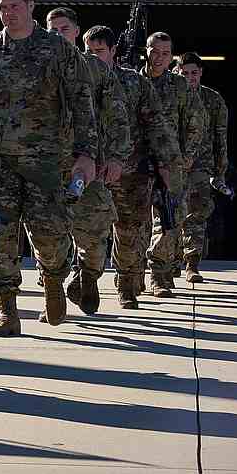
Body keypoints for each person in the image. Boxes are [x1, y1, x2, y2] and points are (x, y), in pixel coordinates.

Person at [0, 0, 97, 336]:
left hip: (48, 161)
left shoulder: (59, 50)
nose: (8, 13)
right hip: (0, 163)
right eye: (2, 7)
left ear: (30, 6)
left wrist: (86, 153)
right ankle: (7, 311)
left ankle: (55, 280)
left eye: (15, 6)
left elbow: (81, 101)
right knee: (0, 235)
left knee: (50, 234)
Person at [84, 25, 180, 308]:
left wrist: (167, 165)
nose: (92, 57)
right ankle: (86, 278)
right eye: (87, 51)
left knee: (128, 231)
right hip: (89, 170)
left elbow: (157, 127)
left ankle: (126, 284)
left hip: (130, 172)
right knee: (89, 230)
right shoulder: (77, 81)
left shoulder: (135, 83)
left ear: (113, 51)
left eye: (98, 51)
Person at [44, 8, 130, 317]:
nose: (57, 35)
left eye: (63, 29)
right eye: (51, 29)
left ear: (76, 32)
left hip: (89, 167)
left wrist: (118, 157)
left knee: (94, 236)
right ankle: (52, 294)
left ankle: (88, 277)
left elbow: (118, 116)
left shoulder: (95, 69)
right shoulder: (39, 66)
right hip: (48, 168)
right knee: (49, 236)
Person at [142, 32, 206, 298]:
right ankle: (130, 277)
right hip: (135, 162)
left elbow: (196, 122)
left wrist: (187, 156)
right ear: (146, 51)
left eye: (166, 54)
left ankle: (160, 276)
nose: (159, 58)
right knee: (132, 224)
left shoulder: (180, 86)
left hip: (170, 163)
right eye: (155, 52)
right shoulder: (132, 80)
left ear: (172, 57)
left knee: (168, 220)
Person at [177, 52, 229, 282]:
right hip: (174, 164)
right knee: (169, 215)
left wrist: (220, 171)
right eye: (185, 73)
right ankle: (168, 262)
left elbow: (220, 137)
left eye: (194, 73)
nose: (190, 77)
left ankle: (192, 263)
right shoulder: (170, 97)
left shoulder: (213, 100)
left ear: (201, 73)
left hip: (201, 166)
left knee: (196, 215)